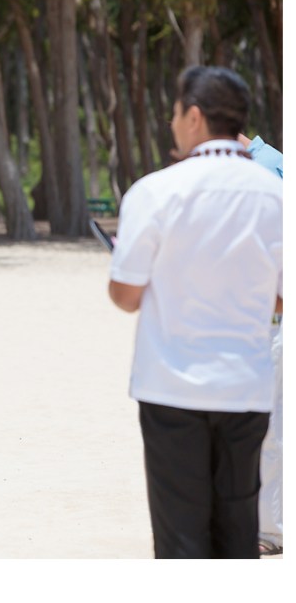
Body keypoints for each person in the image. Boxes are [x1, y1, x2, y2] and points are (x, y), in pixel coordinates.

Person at [108, 66, 283, 558]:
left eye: (175, 113)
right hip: (246, 387)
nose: (171, 124)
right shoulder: (277, 194)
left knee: (180, 538)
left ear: (194, 117)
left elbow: (125, 295)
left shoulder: (154, 191)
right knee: (236, 533)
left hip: (170, 387)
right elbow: (282, 296)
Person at [238, 132, 284, 556]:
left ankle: (270, 531)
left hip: (274, 319)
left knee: (270, 429)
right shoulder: (272, 162)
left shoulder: (261, 173)